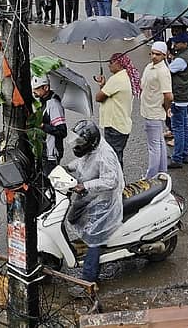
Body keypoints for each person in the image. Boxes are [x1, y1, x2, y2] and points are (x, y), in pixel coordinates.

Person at [65, 119, 124, 286]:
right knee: (73, 216)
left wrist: (85, 185)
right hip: (91, 193)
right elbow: (84, 163)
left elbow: (110, 181)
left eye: (80, 142)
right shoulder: (91, 149)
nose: (77, 145)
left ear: (90, 142)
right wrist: (67, 168)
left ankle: (88, 279)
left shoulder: (105, 155)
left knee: (93, 235)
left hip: (106, 198)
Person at [94, 53, 140, 168]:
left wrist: (103, 87)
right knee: (116, 155)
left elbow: (99, 97)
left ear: (119, 63)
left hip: (115, 125)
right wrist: (103, 85)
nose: (108, 65)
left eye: (111, 62)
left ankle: (117, 182)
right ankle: (118, 181)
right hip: (121, 124)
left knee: (112, 158)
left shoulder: (117, 79)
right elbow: (108, 94)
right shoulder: (125, 76)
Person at [140, 41, 173, 178]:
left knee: (154, 148)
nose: (154, 56)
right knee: (159, 143)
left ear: (164, 55)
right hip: (148, 110)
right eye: (152, 53)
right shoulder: (149, 67)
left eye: (158, 54)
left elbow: (168, 95)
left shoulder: (163, 72)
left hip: (154, 112)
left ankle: (150, 177)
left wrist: (166, 108)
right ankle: (162, 173)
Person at [167, 33, 188, 169]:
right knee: (184, 127)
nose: (175, 45)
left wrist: (168, 59)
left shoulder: (181, 60)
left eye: (177, 43)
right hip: (186, 96)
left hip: (178, 97)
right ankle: (184, 154)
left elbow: (167, 72)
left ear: (184, 44)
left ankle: (177, 157)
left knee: (178, 128)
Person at [31, 76, 67, 176]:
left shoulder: (54, 104)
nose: (34, 91)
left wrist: (42, 126)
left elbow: (62, 131)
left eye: (37, 88)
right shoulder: (43, 102)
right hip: (44, 151)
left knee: (49, 183)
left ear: (46, 88)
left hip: (51, 154)